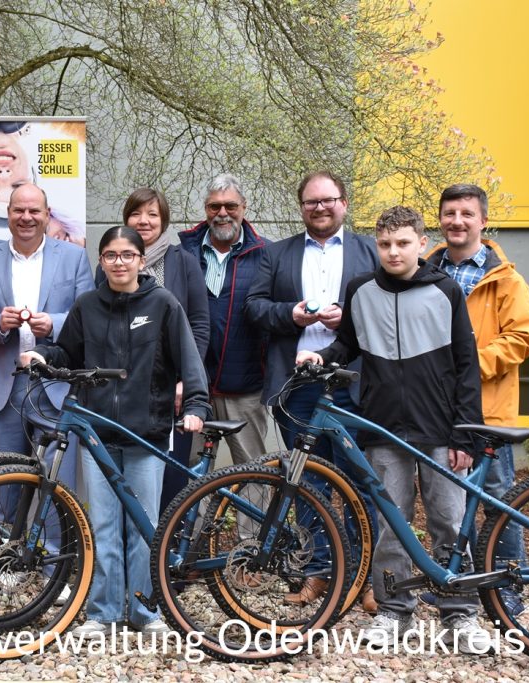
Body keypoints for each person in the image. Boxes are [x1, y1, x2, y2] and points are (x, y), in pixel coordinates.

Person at [296, 205, 492, 653]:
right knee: (390, 524)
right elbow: (348, 343)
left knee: (448, 522)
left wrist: (466, 434)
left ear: (422, 244)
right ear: (375, 246)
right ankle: (394, 611)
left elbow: (467, 367)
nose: (393, 252)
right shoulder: (360, 289)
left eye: (403, 243)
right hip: (381, 427)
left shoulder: (445, 290)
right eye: (384, 244)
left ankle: (459, 614)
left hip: (441, 431)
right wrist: (321, 358)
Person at [22, 226, 212, 636]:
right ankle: (103, 613)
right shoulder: (87, 306)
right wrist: (41, 353)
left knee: (142, 528)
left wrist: (196, 405)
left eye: (128, 254)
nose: (119, 262)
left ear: (142, 261)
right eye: (110, 255)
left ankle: (145, 613)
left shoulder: (163, 303)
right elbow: (68, 352)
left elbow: (188, 360)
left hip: (148, 433)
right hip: (97, 434)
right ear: (102, 261)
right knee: (103, 526)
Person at [245, 170, 379, 613]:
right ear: (300, 207)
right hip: (297, 387)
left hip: (354, 384)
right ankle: (319, 572)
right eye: (310, 202)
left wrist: (353, 319)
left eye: (328, 200)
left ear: (343, 202)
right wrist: (292, 315)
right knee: (308, 484)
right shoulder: (276, 254)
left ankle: (364, 578)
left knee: (360, 483)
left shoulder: (371, 250)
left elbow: (387, 307)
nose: (320, 208)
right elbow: (255, 307)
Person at [423, 183, 529, 616]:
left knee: (495, 502)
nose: (457, 221)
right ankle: (461, 585)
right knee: (448, 503)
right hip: (437, 412)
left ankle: (508, 587)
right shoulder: (425, 270)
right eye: (450, 213)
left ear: (482, 221)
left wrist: (467, 366)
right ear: (440, 218)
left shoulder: (506, 278)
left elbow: (522, 338)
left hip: (488, 413)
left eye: (466, 214)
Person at [0, 183, 93, 496]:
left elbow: (88, 318)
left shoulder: (74, 257)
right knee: (5, 483)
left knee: (58, 485)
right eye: (19, 210)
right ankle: (9, 545)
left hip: (55, 385)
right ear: (7, 215)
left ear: (47, 215)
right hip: (5, 388)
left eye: (34, 210)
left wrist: (55, 324)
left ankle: (59, 546)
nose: (26, 217)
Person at [98, 188, 208, 512]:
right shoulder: (109, 264)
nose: (143, 221)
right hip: (124, 393)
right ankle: (136, 556)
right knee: (128, 487)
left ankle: (169, 557)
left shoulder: (184, 262)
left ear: (164, 221)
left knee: (172, 481)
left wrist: (186, 380)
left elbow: (199, 325)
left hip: (172, 392)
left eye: (152, 214)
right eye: (136, 213)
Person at [178, 174, 270, 471]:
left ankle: (253, 522)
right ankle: (194, 522)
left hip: (246, 388)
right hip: (195, 388)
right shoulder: (182, 252)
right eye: (214, 206)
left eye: (230, 205)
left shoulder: (267, 254)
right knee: (191, 472)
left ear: (244, 207)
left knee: (252, 470)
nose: (222, 213)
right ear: (205, 208)